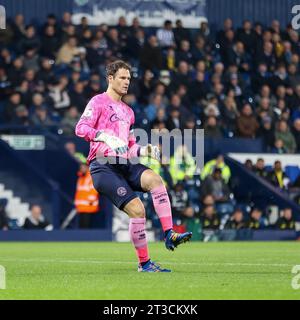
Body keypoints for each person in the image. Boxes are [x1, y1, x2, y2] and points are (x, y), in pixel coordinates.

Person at [75, 60, 192, 272]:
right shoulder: (98, 102)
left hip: (124, 163)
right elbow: (81, 128)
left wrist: (146, 150)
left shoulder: (128, 112)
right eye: (122, 77)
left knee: (156, 180)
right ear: (110, 79)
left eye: (128, 78)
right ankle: (145, 264)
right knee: (138, 210)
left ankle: (169, 234)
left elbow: (129, 148)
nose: (126, 82)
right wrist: (103, 137)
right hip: (103, 166)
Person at [75, 162, 99, 228]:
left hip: (89, 206)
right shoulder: (80, 178)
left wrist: (90, 201)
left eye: (83, 167)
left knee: (87, 226)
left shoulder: (91, 177)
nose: (82, 169)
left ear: (87, 167)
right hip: (81, 207)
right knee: (82, 226)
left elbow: (94, 190)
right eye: (81, 168)